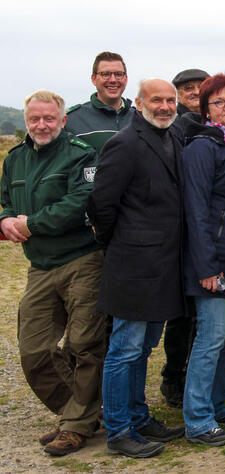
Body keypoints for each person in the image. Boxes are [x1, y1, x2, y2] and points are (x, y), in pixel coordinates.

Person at [0, 90, 104, 456]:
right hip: (40, 266)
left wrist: (32, 224)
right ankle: (81, 412)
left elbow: (80, 202)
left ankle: (76, 425)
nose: (41, 125)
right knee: (34, 351)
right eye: (34, 119)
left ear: (63, 120)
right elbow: (6, 201)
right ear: (26, 121)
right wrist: (5, 220)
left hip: (82, 260)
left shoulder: (81, 154)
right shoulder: (15, 159)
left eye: (49, 118)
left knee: (85, 345)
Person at [88, 78, 187, 458]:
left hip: (163, 264)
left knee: (144, 348)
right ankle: (118, 430)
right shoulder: (124, 144)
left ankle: (137, 415)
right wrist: (121, 243)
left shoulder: (172, 136)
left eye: (170, 100)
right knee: (124, 350)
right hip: (132, 265)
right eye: (156, 100)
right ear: (139, 102)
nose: (164, 106)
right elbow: (101, 204)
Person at [178, 73, 225, 447]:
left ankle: (215, 403)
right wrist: (207, 267)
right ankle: (197, 419)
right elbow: (195, 210)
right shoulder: (201, 148)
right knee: (211, 338)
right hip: (214, 261)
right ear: (206, 109)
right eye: (219, 102)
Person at [160, 67, 211, 409]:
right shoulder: (173, 128)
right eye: (187, 88)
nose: (194, 92)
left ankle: (194, 377)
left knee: (201, 315)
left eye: (199, 87)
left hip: (206, 230)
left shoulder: (215, 124)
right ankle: (174, 377)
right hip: (179, 230)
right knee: (182, 314)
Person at [65, 51, 135, 153]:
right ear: (94, 79)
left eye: (118, 74)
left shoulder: (140, 119)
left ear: (126, 79)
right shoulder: (71, 120)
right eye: (105, 74)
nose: (113, 80)